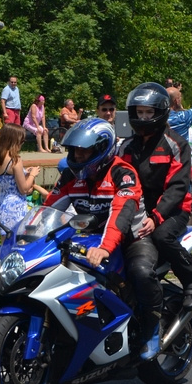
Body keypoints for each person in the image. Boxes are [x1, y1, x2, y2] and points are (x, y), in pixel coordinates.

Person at [119, 83, 192, 360]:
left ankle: (191, 280)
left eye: (148, 112)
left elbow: (177, 188)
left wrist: (156, 217)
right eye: (139, 112)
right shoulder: (127, 147)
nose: (143, 118)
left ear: (160, 113)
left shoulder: (175, 144)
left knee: (160, 237)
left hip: (173, 210)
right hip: (138, 210)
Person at [45, 117, 143, 276]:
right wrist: (25, 239)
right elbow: (48, 210)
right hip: (92, 238)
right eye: (75, 149)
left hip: (131, 237)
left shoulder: (122, 173)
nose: (78, 155)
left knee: (141, 272)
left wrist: (105, 247)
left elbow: (121, 214)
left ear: (102, 148)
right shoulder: (70, 176)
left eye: (84, 150)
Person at [0, 123, 42, 236]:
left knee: (5, 243)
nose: (22, 144)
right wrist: (33, 174)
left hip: (2, 204)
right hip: (15, 206)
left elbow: (1, 185)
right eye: (21, 141)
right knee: (18, 242)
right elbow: (24, 189)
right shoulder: (15, 160)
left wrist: (23, 172)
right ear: (15, 141)